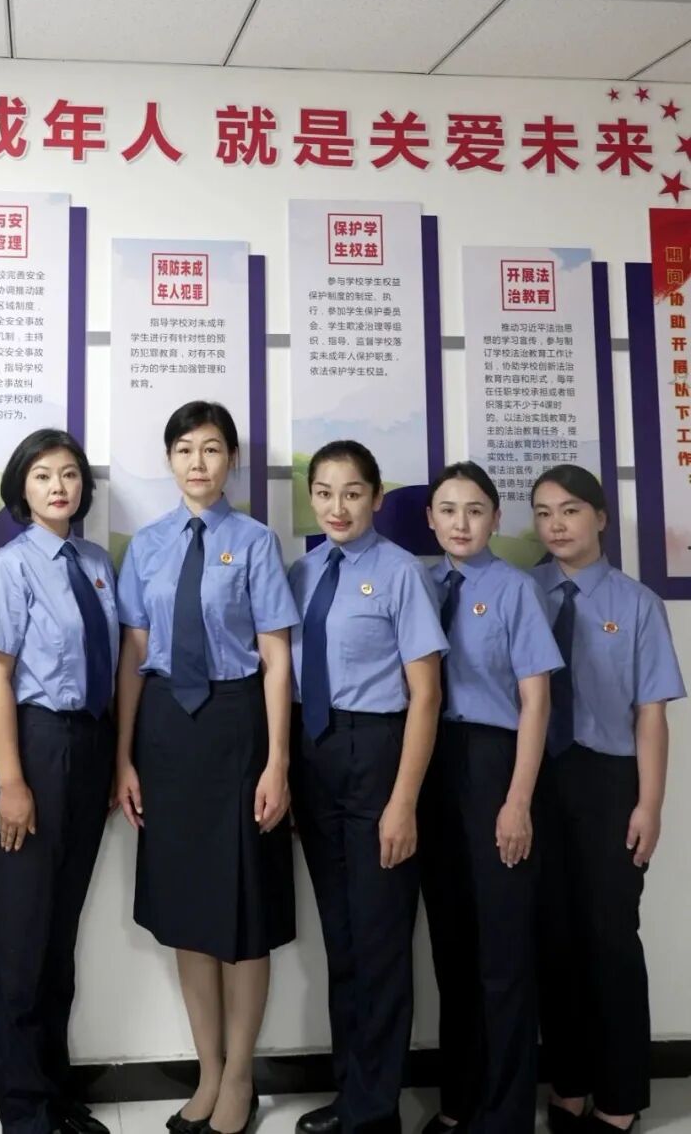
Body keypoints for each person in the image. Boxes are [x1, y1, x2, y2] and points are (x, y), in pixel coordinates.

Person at [115, 401, 297, 1134]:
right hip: (166, 731)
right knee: (189, 909)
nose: (198, 462)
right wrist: (124, 755)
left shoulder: (255, 541)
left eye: (212, 448)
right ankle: (209, 1069)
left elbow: (277, 658)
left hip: (237, 727)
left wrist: (278, 760)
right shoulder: (147, 545)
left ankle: (242, 1074)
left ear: (231, 461)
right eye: (185, 448)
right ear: (170, 460)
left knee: (243, 909)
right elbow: (134, 653)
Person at [289, 439, 445, 1134]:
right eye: (324, 493)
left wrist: (403, 801)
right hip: (315, 754)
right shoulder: (303, 571)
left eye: (352, 493)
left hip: (379, 752)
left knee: (380, 939)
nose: (337, 507)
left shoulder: (401, 572)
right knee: (342, 936)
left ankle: (376, 1112)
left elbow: (426, 694)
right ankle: (351, 1094)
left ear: (376, 498)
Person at [0, 429, 118, 1134]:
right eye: (42, 476)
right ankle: (25, 1111)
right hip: (34, 746)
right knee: (25, 938)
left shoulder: (95, 562)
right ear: (21, 490)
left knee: (60, 938)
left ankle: (56, 1095)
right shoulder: (8, 568)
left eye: (69, 474)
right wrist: (12, 782)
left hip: (89, 745)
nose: (58, 487)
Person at [530, 465, 685, 1134]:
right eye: (543, 513)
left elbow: (651, 715)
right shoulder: (521, 593)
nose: (556, 524)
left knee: (610, 935)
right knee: (552, 935)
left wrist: (650, 805)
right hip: (535, 779)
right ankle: (568, 1083)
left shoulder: (637, 603)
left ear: (599, 517)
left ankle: (619, 1096)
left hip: (609, 781)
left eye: (569, 510)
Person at [418, 461, 562, 1134]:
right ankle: (459, 1101)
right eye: (448, 510)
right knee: (451, 945)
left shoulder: (514, 590)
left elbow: (537, 701)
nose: (461, 523)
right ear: (430, 519)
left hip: (495, 762)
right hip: (431, 764)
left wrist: (518, 800)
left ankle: (504, 1117)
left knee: (502, 951)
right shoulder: (420, 584)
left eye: (475, 510)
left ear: (496, 519)